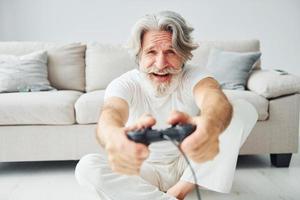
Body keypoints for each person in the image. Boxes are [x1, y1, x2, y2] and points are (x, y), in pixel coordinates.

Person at [75, 11, 258, 200]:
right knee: (87, 167)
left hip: (188, 166)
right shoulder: (124, 84)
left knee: (242, 109)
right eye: (151, 52)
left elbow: (214, 98)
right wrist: (114, 135)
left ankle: (178, 192)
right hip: (144, 170)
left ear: (184, 55)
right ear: (139, 56)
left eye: (171, 52)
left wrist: (209, 124)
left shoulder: (194, 76)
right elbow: (111, 113)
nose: (161, 64)